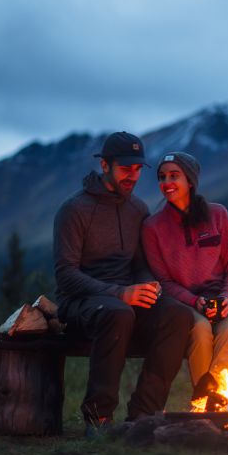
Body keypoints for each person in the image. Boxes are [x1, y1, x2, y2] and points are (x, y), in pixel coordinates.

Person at [53, 132, 194, 436]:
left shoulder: (137, 210)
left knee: (178, 315)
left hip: (125, 300)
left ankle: (143, 416)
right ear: (105, 165)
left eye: (138, 169)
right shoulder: (74, 209)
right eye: (125, 168)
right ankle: (98, 418)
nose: (133, 175)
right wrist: (119, 293)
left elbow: (140, 266)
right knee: (118, 313)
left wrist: (147, 285)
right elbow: (66, 274)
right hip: (80, 302)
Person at [141, 152, 228, 408]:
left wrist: (227, 299)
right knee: (200, 332)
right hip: (185, 304)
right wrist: (194, 301)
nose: (166, 182)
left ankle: (212, 404)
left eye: (174, 176)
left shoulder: (218, 215)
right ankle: (207, 405)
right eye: (162, 177)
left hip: (224, 299)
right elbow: (164, 282)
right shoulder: (153, 227)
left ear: (189, 180)